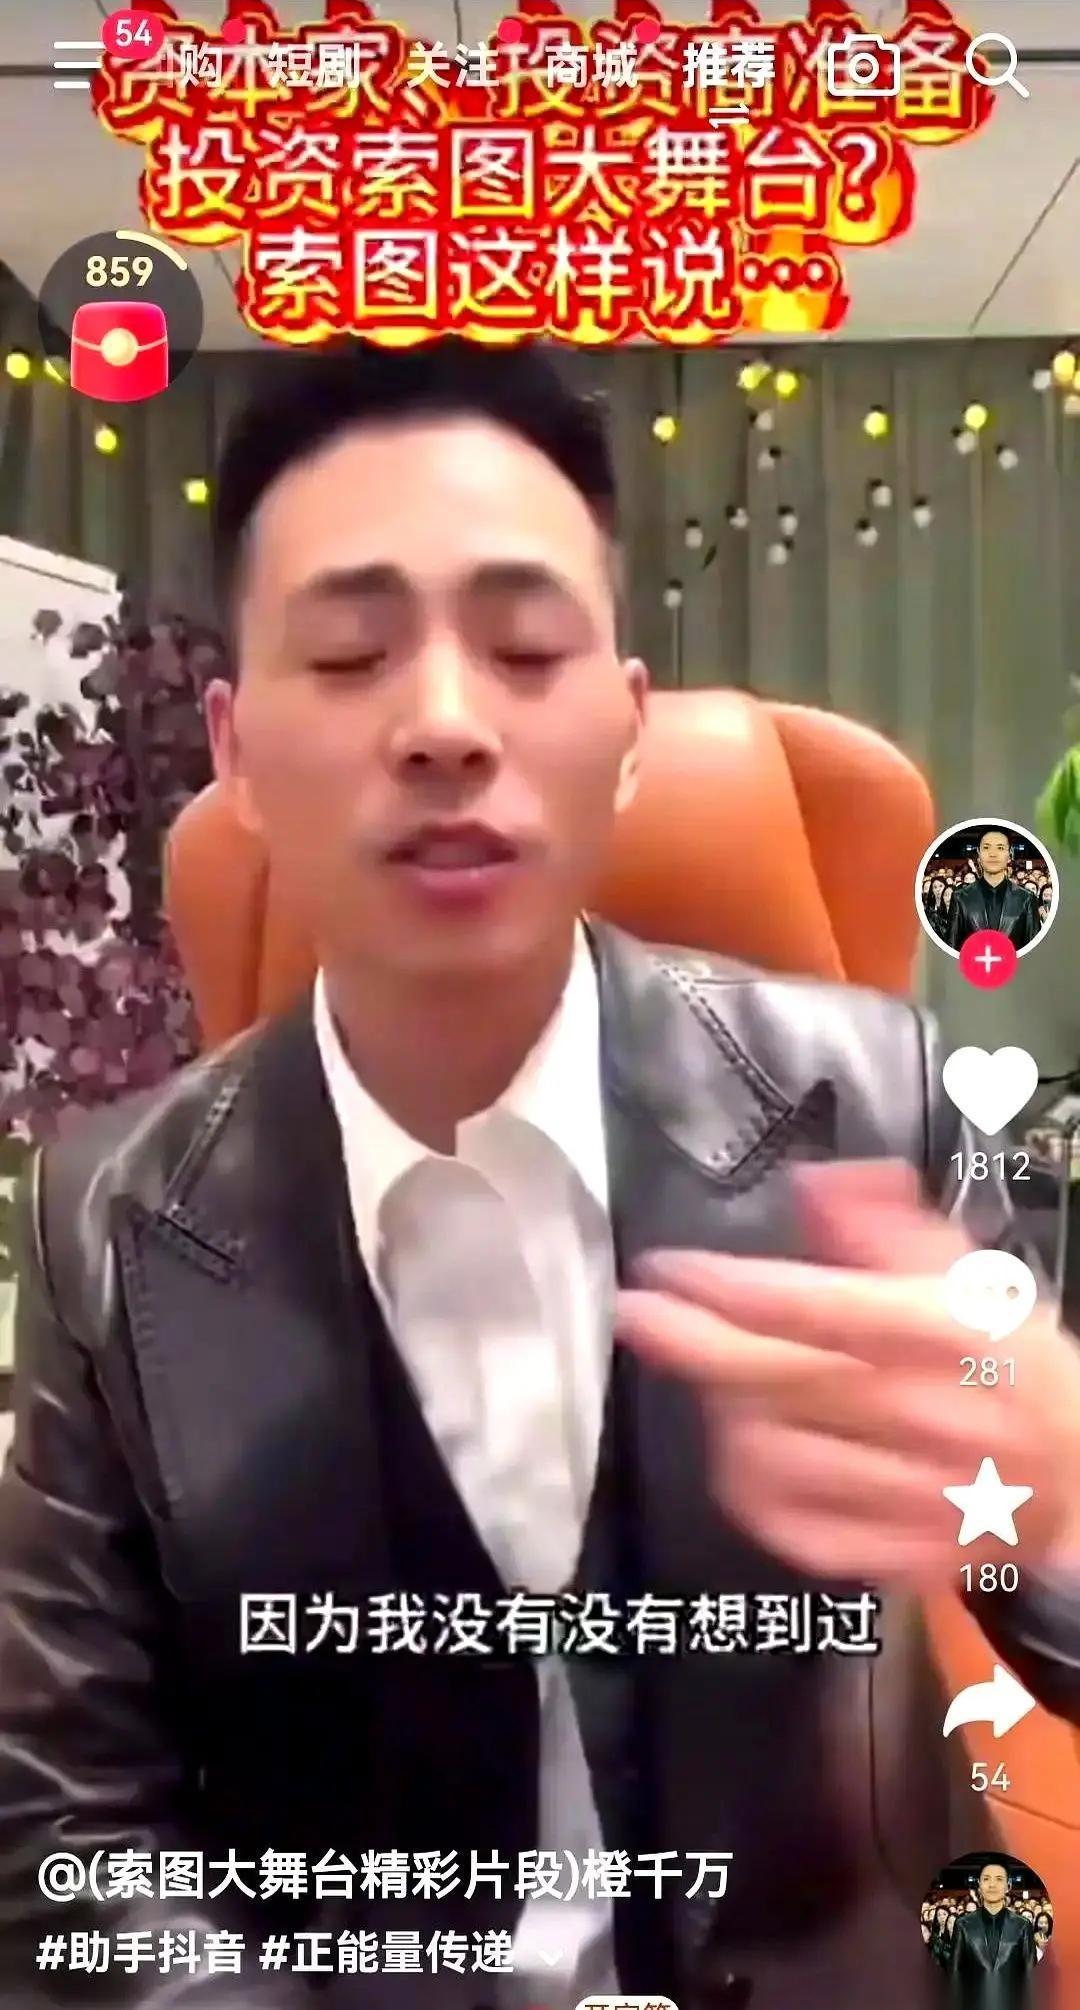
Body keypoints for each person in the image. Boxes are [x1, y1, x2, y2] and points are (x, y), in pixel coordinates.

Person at [4, 341, 1080, 2010]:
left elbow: (1044, 1617)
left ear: (630, 730)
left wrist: (1061, 1507)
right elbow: (67, 1818)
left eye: (523, 647)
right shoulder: (107, 1215)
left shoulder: (876, 1107)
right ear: (237, 750)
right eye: (349, 654)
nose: (445, 723)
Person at [946, 1861, 1036, 2005]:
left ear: (1008, 1886)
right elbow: (955, 1975)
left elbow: (1030, 1976)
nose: (992, 1885)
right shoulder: (963, 1924)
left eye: (999, 1879)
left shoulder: (1022, 1925)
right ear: (979, 1885)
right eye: (986, 1879)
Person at [945, 827, 1041, 952]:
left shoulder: (1026, 899)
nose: (993, 854)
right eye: (986, 847)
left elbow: (1035, 951)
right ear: (978, 854)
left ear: (1009, 854)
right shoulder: (960, 898)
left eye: (1000, 848)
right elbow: (951, 948)